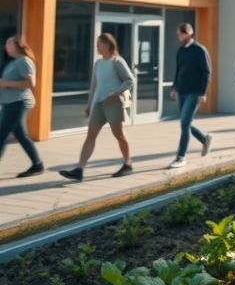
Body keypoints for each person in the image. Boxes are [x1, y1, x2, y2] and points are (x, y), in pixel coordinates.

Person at [59, 33, 135, 182]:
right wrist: (89, 105)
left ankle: (127, 164)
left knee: (119, 135)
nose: (97, 46)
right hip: (99, 105)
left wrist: (115, 93)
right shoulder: (98, 63)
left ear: (107, 44)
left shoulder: (117, 62)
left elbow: (130, 80)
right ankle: (79, 169)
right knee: (90, 136)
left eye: (99, 43)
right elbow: (94, 86)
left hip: (113, 103)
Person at [166, 23, 212, 169]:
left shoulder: (199, 50)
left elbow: (207, 72)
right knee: (185, 123)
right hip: (182, 91)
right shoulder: (180, 51)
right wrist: (174, 88)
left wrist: (203, 92)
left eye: (180, 34)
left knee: (185, 124)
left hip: (195, 92)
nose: (178, 36)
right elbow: (179, 70)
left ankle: (181, 157)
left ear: (188, 34)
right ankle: (204, 139)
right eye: (178, 34)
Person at [0, 34, 44, 178]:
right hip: (9, 103)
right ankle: (37, 164)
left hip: (18, 102)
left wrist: (6, 84)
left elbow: (31, 83)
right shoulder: (12, 62)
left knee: (2, 134)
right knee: (21, 135)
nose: (6, 46)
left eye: (9, 43)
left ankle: (37, 164)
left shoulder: (24, 61)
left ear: (17, 45)